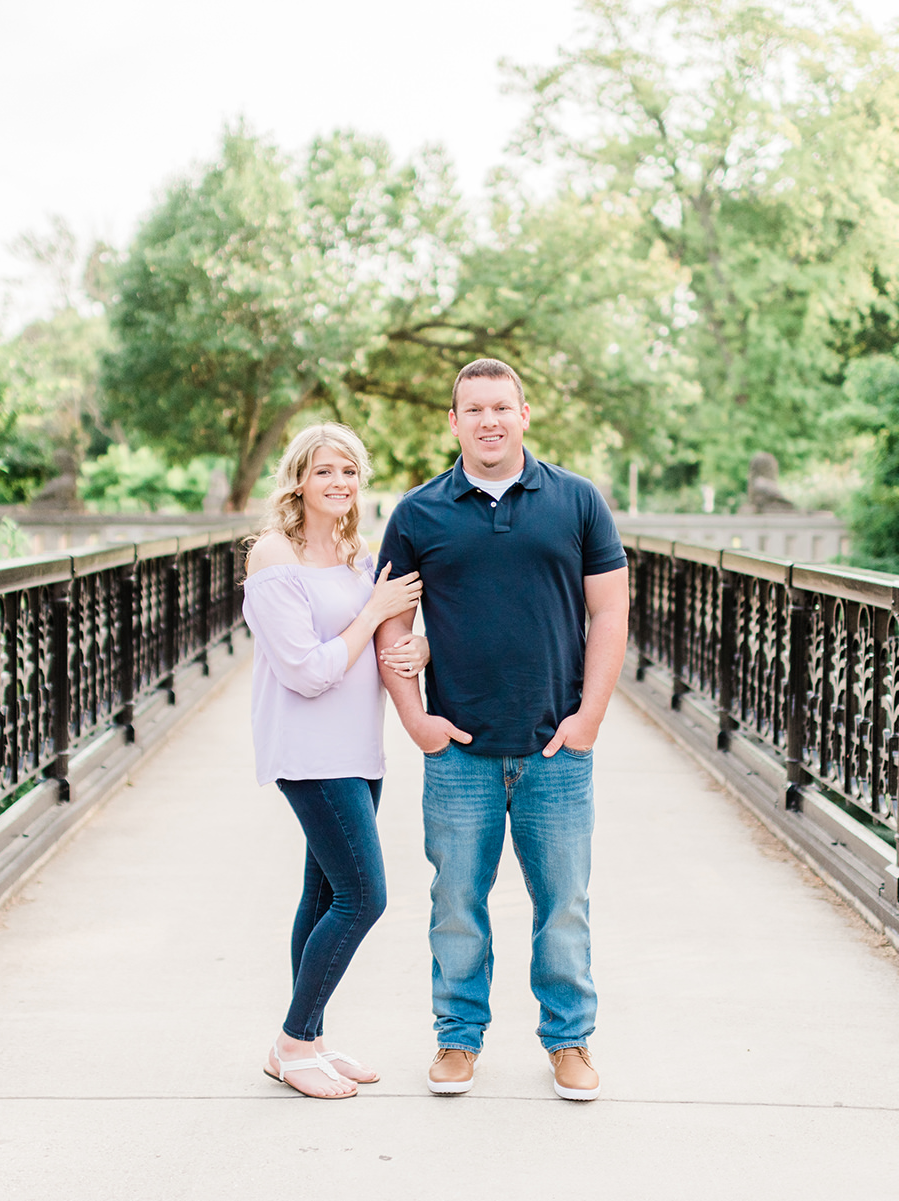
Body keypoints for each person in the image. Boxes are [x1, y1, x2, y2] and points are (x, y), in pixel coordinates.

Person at [375, 358, 629, 1102]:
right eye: (473, 409)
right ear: (453, 422)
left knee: (565, 903)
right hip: (460, 754)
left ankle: (570, 1040)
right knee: (456, 901)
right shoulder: (419, 513)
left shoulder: (578, 502)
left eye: (501, 407)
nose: (489, 420)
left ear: (525, 413)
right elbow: (394, 625)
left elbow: (609, 613)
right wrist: (416, 720)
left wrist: (590, 718)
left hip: (556, 747)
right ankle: (457, 1039)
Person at [242, 422, 430, 1099]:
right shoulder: (272, 557)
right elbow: (307, 670)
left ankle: (310, 1039)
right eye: (325, 471)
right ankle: (291, 1042)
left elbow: (380, 637)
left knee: (322, 892)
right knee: (364, 895)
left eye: (349, 471)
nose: (340, 483)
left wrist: (418, 648)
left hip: (358, 748)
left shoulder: (352, 553)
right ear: (299, 479)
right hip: (309, 751)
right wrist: (374, 608)